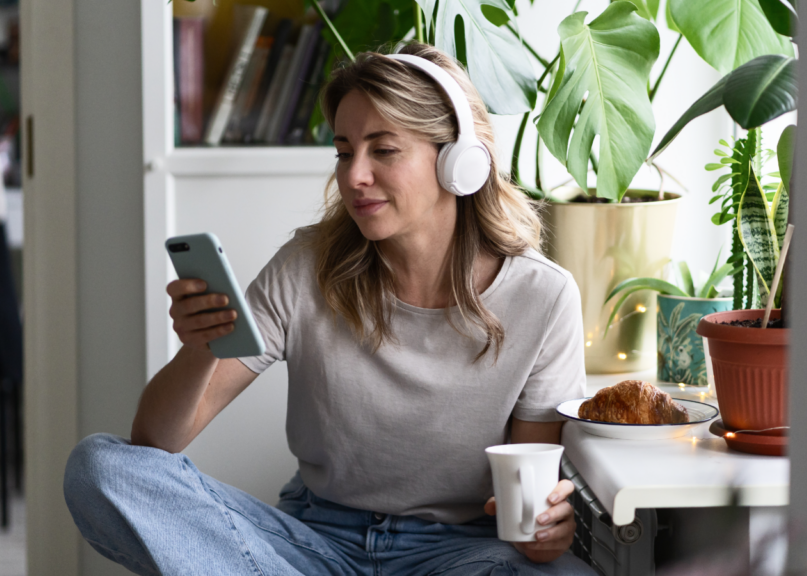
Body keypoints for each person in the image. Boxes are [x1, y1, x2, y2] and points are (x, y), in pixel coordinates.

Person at [64, 43, 593, 576]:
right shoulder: (307, 266)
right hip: (311, 542)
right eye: (344, 152)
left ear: (461, 162)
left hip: (460, 552)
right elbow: (158, 443)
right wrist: (201, 346)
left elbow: (531, 509)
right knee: (100, 467)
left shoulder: (542, 297)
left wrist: (544, 533)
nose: (354, 175)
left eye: (383, 150)